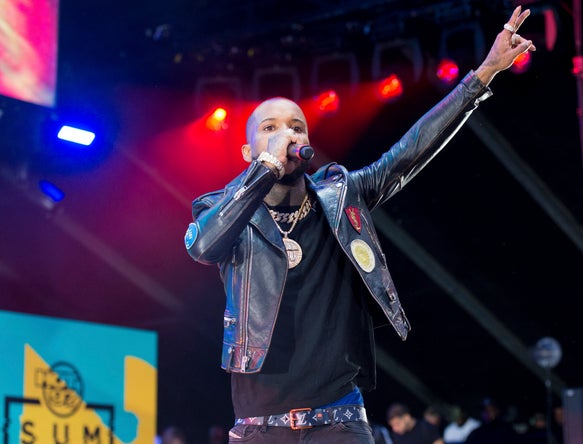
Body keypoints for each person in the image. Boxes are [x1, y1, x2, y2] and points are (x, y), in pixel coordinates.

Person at [183, 6, 536, 443]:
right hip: (259, 429)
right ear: (247, 149)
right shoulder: (221, 210)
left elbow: (407, 155)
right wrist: (266, 167)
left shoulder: (340, 196)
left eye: (297, 126)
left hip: (339, 422)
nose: (287, 134)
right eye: (270, 128)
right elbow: (204, 247)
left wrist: (482, 74)